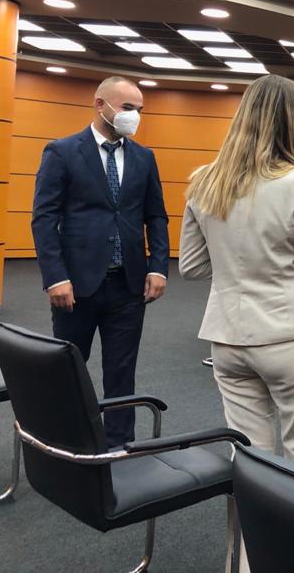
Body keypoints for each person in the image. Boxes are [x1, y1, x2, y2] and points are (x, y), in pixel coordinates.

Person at [179, 75, 294, 573]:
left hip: (228, 339)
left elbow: (191, 266)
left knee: (250, 461)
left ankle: (249, 564)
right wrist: (287, 273)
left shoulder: (204, 180)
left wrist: (237, 268)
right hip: (292, 336)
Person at [31, 76, 169, 448]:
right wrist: (55, 277)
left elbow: (156, 216)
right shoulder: (62, 151)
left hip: (129, 284)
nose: (134, 116)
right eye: (127, 108)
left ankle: (119, 447)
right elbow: (44, 218)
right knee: (68, 368)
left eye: (139, 109)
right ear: (100, 105)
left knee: (122, 373)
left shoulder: (144, 157)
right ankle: (63, 442)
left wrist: (158, 266)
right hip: (75, 285)